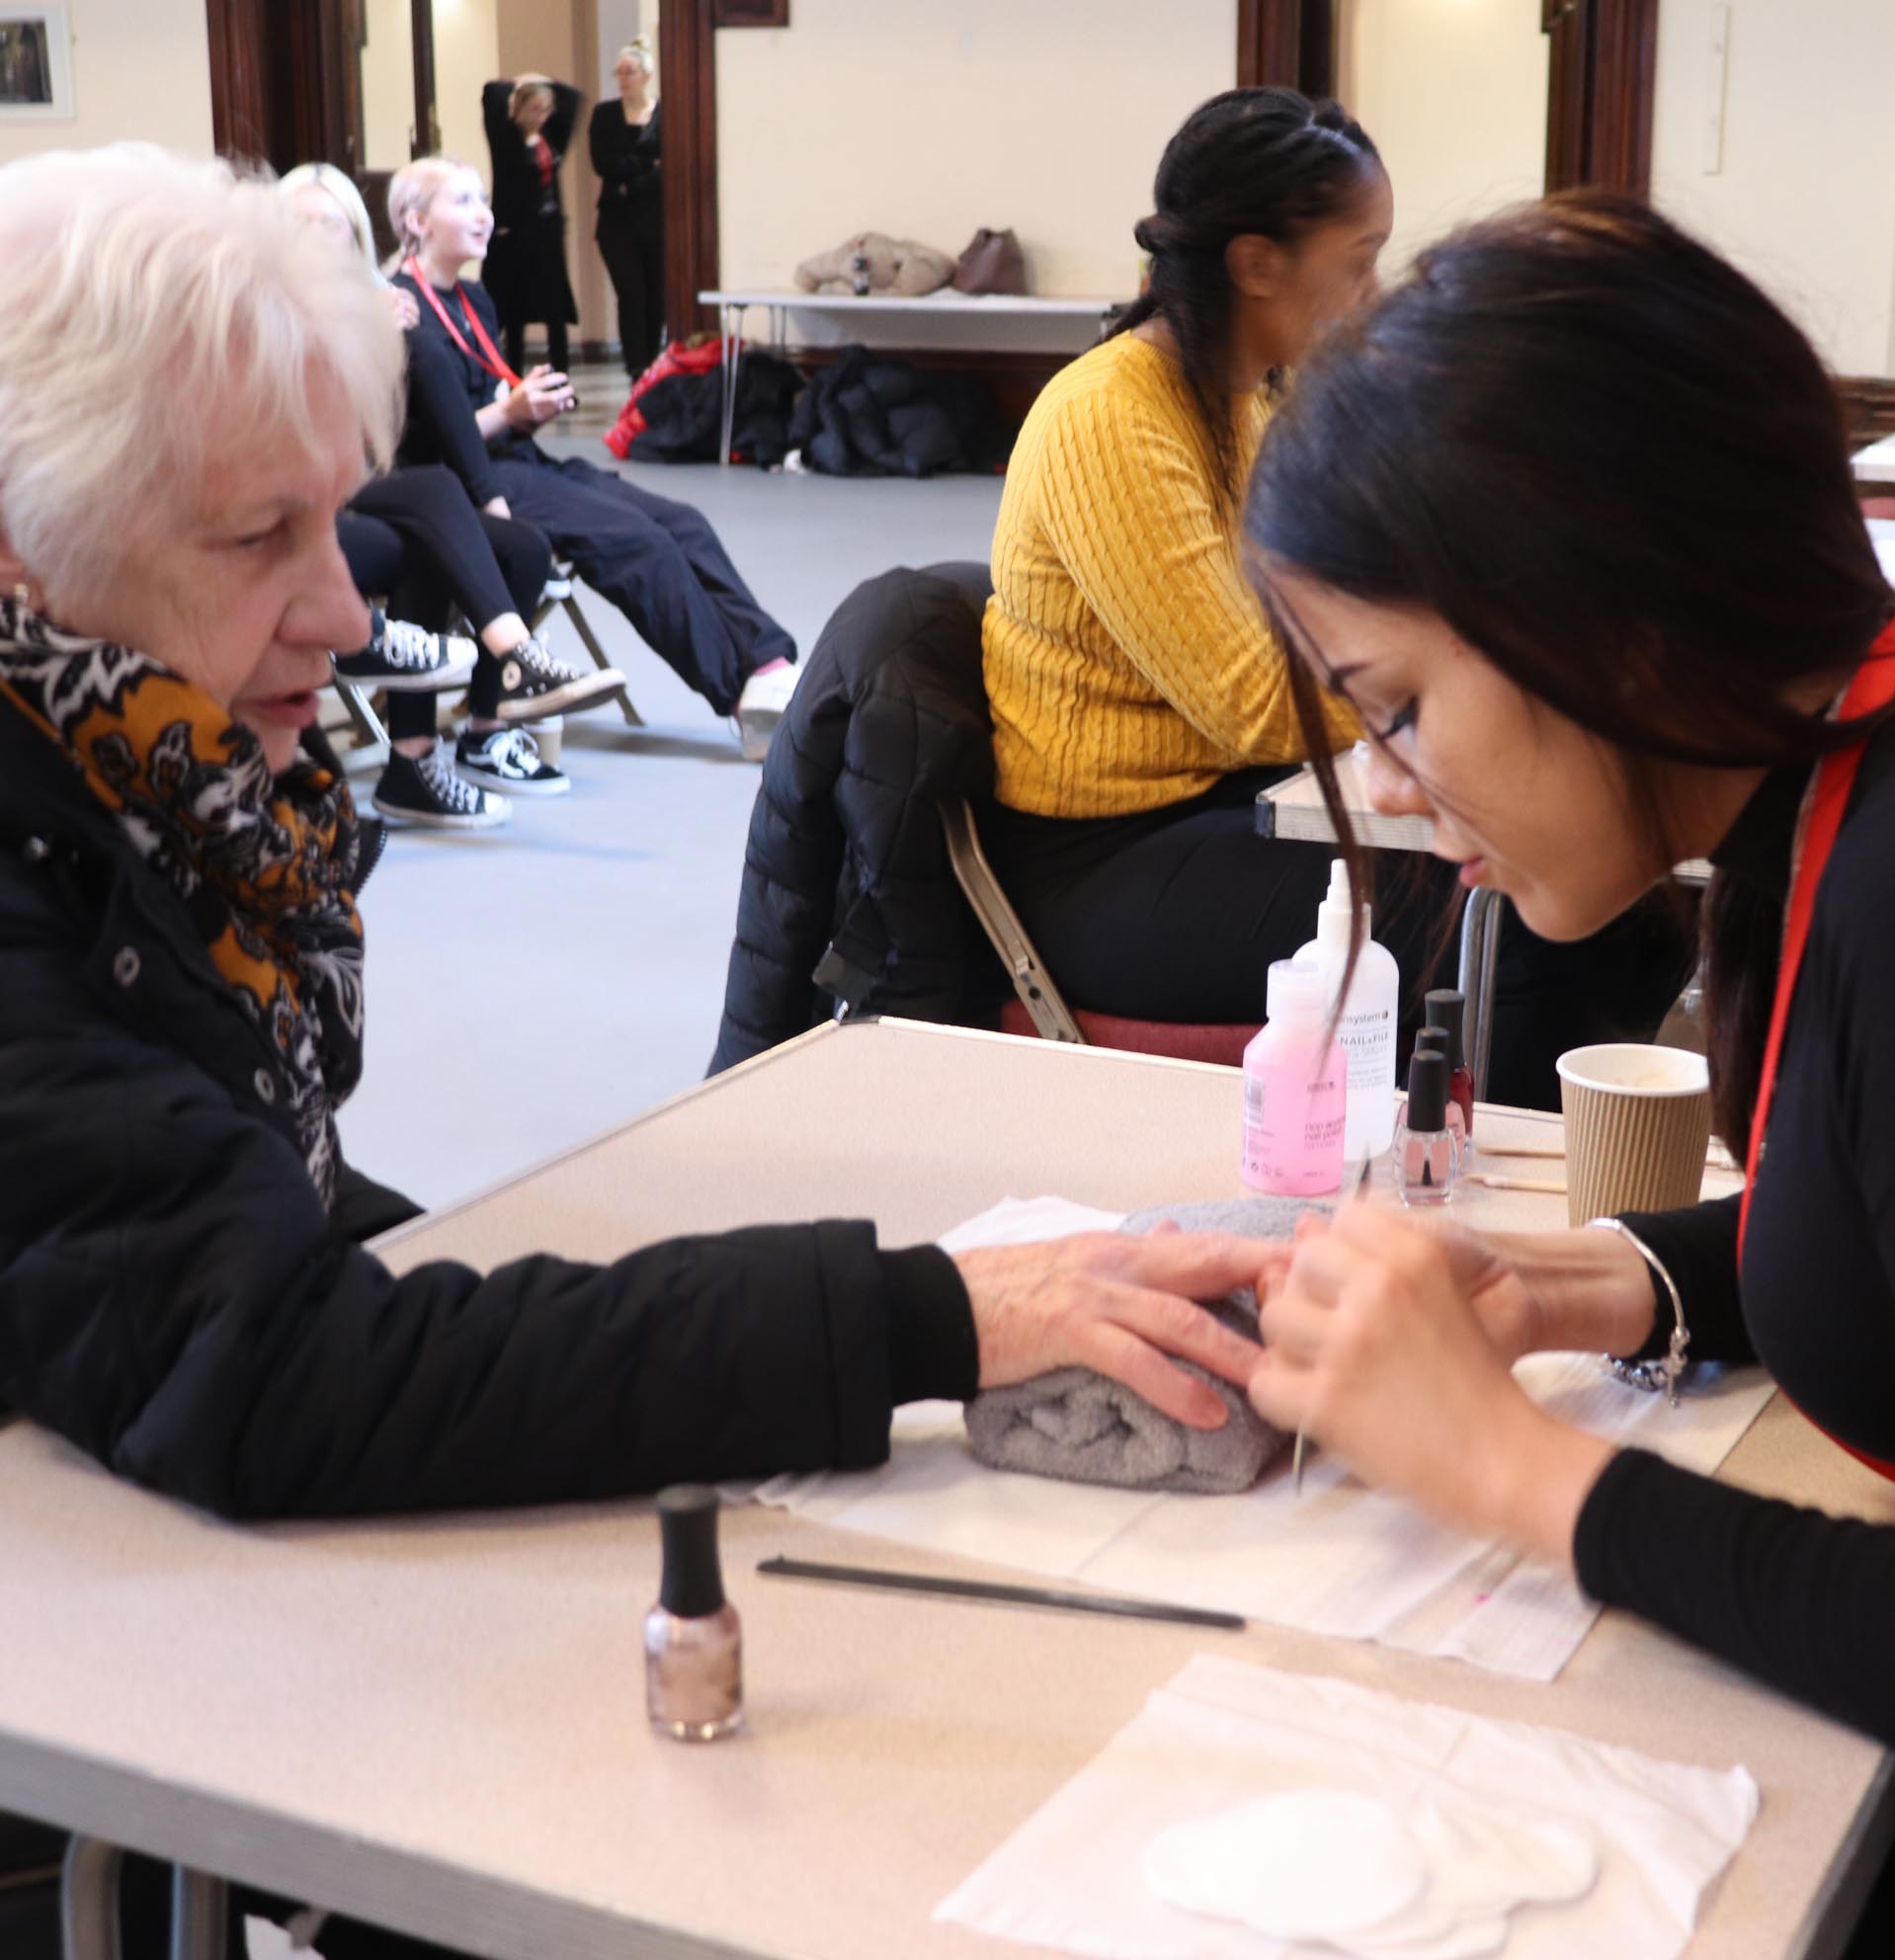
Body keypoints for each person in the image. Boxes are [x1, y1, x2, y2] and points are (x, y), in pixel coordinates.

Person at [0, 141, 1275, 1959]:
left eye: (328, 520)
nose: (351, 613)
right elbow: (254, 1359)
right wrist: (949, 1310)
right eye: (252, 538)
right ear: (24, 554)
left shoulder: (141, 779)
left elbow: (226, 1201)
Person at [1243, 193, 1895, 1901]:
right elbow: (1892, 1208)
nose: (1396, 793)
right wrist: (1591, 1283)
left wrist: (1510, 1469)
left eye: (1397, 705)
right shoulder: (1860, 786)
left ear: (1596, 599)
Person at [978, 89, 1689, 1106]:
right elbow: (1258, 702)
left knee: (1630, 894)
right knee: (1531, 909)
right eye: (1358, 259)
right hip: (1107, 868)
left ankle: (1544, 1184)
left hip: (1241, 810)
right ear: (1257, 263)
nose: (1373, 288)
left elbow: (1384, 584)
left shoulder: (1260, 395)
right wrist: (1477, 687)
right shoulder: (1106, 418)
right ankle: (1489, 1205)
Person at [387, 154, 802, 761]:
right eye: (464, 202)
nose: (484, 215)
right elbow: (423, 442)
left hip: (517, 458)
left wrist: (521, 402)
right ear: (415, 222)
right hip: (464, 483)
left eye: (483, 198)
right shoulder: (401, 310)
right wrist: (509, 412)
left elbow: (480, 396)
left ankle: (769, 663)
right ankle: (741, 699)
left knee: (681, 520)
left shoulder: (473, 298)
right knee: (637, 542)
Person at [283, 161, 618, 820]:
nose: (319, 241)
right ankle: (514, 658)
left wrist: (373, 329)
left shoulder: (378, 308)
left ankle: (430, 758)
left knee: (517, 547)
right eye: (302, 225)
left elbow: (378, 431)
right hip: (299, 503)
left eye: (335, 228)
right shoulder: (253, 312)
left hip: (366, 489)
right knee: (437, 498)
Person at [482, 73, 581, 378]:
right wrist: (520, 81)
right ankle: (513, 376)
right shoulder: (505, 136)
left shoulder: (550, 136)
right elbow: (491, 93)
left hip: (547, 234)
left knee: (554, 310)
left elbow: (571, 98)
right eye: (535, 108)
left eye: (545, 110)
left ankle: (561, 375)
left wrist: (545, 80)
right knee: (514, 311)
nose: (541, 116)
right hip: (513, 235)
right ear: (521, 107)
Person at [590, 35, 664, 382]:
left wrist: (632, 179)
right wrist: (646, 165)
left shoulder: (663, 113)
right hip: (616, 222)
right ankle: (636, 365)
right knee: (631, 293)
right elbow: (604, 163)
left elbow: (667, 168)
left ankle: (651, 361)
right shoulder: (604, 115)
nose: (623, 79)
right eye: (618, 72)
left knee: (656, 295)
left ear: (646, 75)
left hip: (654, 218)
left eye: (630, 72)